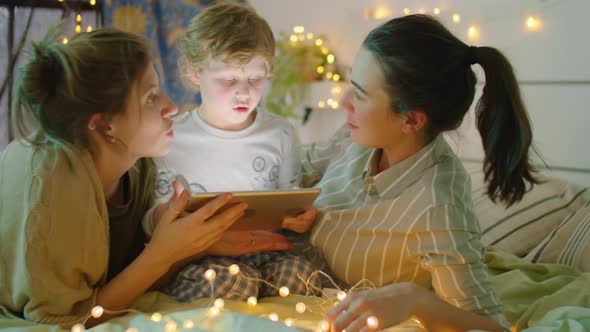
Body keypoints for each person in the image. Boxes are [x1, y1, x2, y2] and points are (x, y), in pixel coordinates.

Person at [0, 26, 290, 329]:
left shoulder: (140, 167)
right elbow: (67, 320)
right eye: (151, 98)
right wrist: (161, 255)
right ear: (105, 126)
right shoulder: (52, 182)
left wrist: (199, 244)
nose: (172, 107)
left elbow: (128, 279)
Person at [298, 14, 540, 332]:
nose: (344, 102)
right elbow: (294, 170)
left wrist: (413, 299)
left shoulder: (436, 205)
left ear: (411, 121)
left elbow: (490, 325)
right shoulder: (357, 137)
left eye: (359, 93)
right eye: (350, 84)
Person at [141, 1, 320, 302]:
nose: (244, 92)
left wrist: (300, 218)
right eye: (229, 80)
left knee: (300, 277)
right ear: (195, 72)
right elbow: (153, 220)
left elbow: (290, 197)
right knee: (230, 283)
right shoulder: (172, 136)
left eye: (255, 79)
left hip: (267, 251)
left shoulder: (280, 132)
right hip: (202, 256)